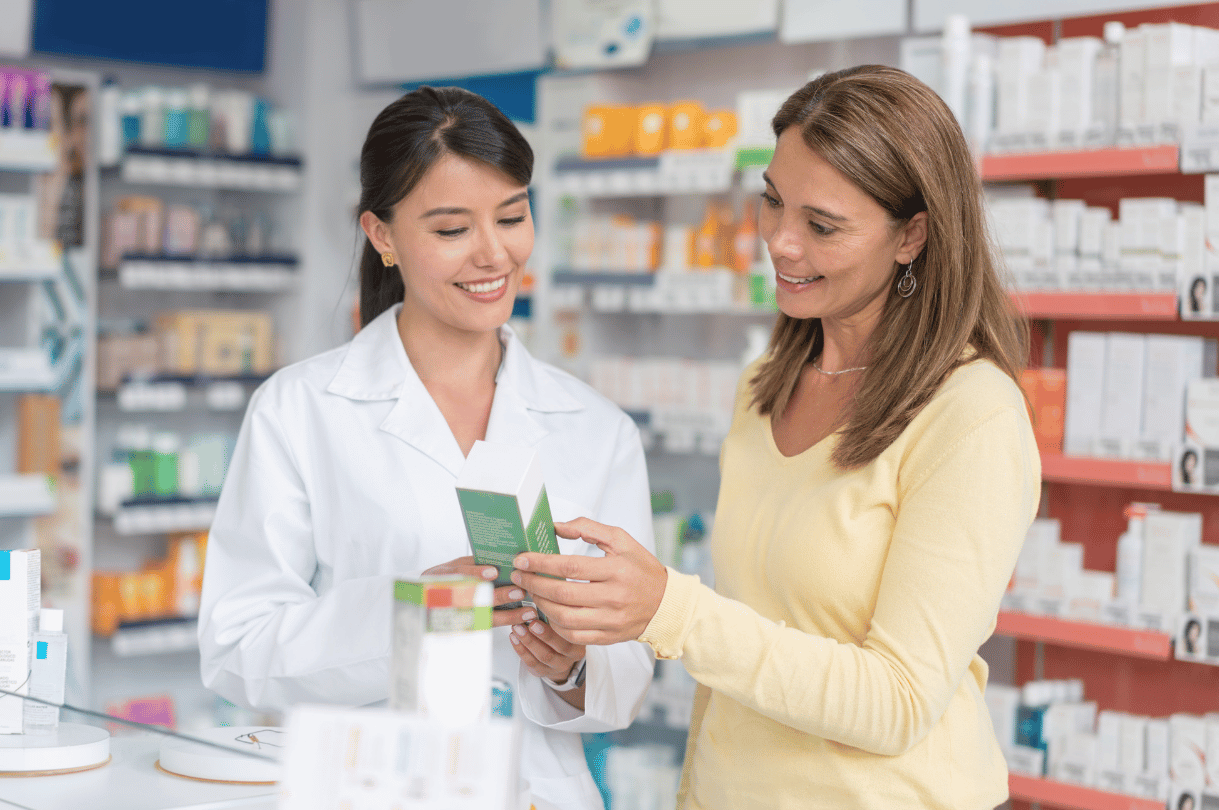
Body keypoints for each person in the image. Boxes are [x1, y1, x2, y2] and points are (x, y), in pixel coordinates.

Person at [511, 66, 1041, 809]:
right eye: (771, 202)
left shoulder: (971, 414)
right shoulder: (766, 386)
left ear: (912, 236)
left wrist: (673, 610)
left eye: (822, 226)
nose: (781, 244)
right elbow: (751, 653)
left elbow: (895, 703)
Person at [197, 86, 655, 810]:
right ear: (382, 235)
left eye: (512, 215)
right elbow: (237, 649)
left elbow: (629, 665)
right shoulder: (302, 409)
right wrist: (414, 611)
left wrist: (573, 668)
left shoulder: (596, 429)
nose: (494, 253)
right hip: (367, 789)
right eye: (451, 230)